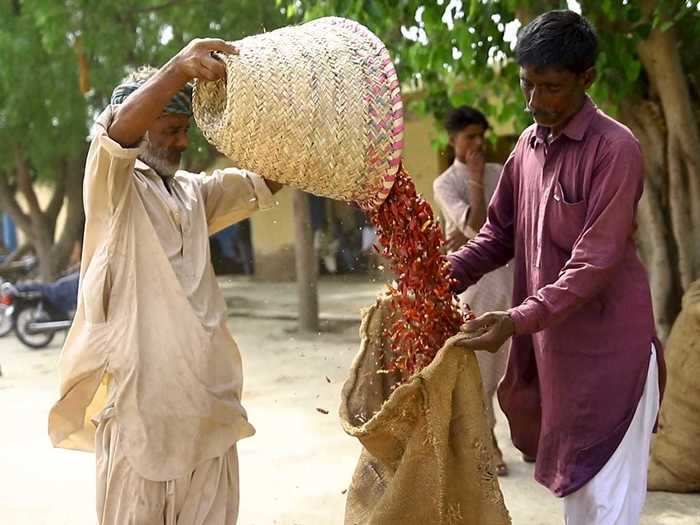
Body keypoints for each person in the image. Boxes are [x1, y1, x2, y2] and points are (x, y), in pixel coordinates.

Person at [48, 39, 283, 524]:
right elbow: (114, 135)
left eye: (184, 130)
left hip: (209, 418)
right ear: (144, 125)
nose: (182, 142)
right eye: (172, 130)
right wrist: (179, 68)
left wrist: (309, 130)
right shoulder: (113, 189)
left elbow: (264, 181)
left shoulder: (193, 193)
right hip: (142, 424)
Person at [450, 11, 666, 525]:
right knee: (579, 505)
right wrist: (439, 276)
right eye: (527, 85)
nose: (535, 102)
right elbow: (497, 235)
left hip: (613, 357)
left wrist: (516, 320)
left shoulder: (616, 149)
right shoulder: (527, 147)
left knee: (609, 510)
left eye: (551, 88)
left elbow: (594, 262)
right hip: (558, 360)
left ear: (586, 78)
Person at [433, 106, 512, 476]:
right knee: (481, 373)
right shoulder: (446, 183)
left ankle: (531, 436)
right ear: (453, 141)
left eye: (482, 136)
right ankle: (488, 442)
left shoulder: (503, 173)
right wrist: (477, 179)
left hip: (513, 281)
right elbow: (478, 228)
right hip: (477, 288)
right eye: (470, 137)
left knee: (516, 367)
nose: (478, 144)